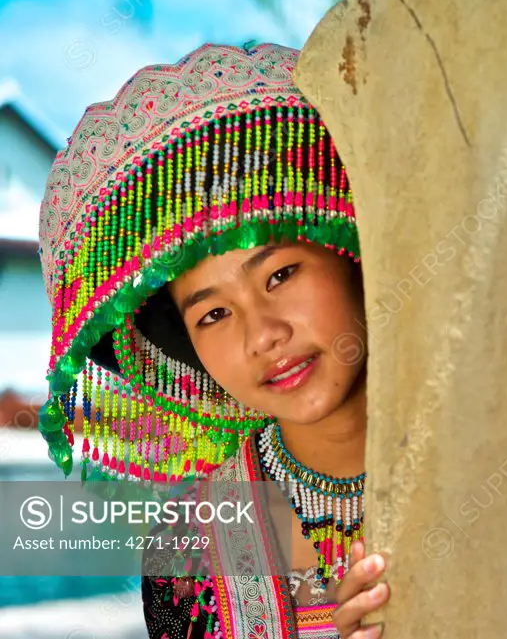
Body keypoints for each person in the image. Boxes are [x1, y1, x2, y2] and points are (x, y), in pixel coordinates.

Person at [36, 42, 389, 638]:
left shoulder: (493, 441)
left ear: (349, 251)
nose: (264, 336)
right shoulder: (186, 553)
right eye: (214, 314)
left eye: (280, 274)